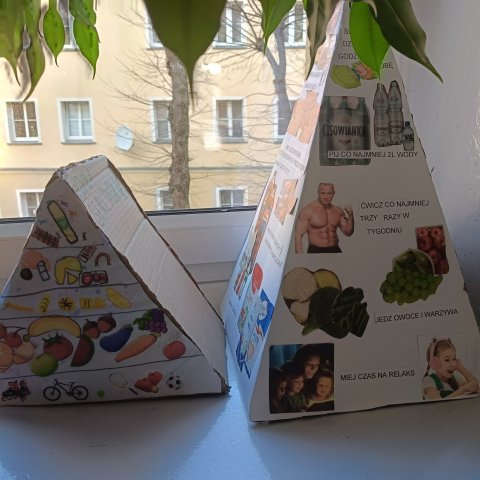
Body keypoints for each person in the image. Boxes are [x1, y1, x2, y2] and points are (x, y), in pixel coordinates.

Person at [294, 182, 353, 254]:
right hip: (316, 251)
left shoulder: (338, 211)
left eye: (329, 193)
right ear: (318, 193)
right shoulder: (308, 211)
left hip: (335, 250)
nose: (326, 196)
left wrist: (350, 215)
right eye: (323, 193)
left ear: (333, 193)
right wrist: (300, 258)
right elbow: (298, 236)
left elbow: (348, 232)